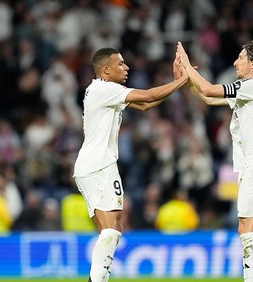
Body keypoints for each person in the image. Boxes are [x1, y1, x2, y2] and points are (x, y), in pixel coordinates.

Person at [73, 47, 188, 282]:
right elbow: (148, 96)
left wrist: (175, 82)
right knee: (112, 231)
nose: (127, 68)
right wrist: (183, 80)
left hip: (93, 164)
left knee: (111, 231)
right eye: (121, 64)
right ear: (106, 70)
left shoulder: (103, 91)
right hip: (99, 165)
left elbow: (145, 105)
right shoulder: (103, 89)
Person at [177, 40, 253, 282]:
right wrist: (185, 78)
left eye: (240, 58)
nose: (235, 62)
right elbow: (206, 98)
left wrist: (187, 63)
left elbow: (209, 89)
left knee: (247, 232)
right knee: (250, 231)